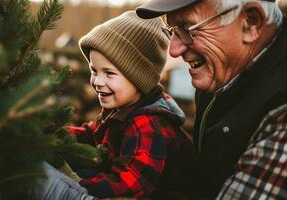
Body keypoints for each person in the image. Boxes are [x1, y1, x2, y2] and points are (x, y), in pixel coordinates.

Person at [33, 11, 196, 199]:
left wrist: (77, 185)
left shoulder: (149, 124)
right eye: (94, 71)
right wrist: (56, 136)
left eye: (109, 73)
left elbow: (131, 182)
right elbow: (93, 134)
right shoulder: (123, 108)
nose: (97, 81)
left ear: (139, 78)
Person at [136, 0, 287, 199]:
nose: (174, 50)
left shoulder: (281, 115)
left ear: (251, 23)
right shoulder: (222, 74)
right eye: (172, 30)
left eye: (187, 28)